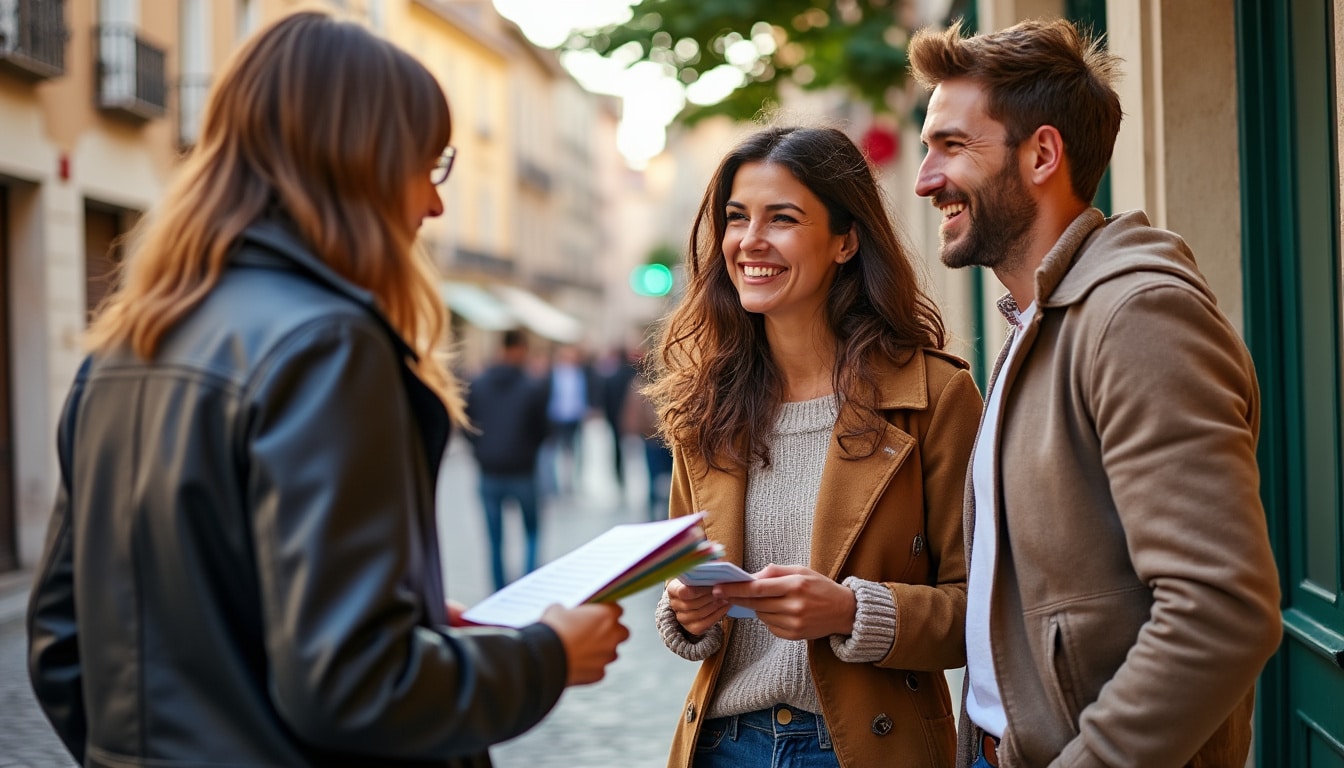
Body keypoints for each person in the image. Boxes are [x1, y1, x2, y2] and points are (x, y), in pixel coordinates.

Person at [26, 11, 628, 768]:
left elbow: (64, 644)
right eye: (429, 165)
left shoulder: (127, 340)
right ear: (362, 161)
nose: (435, 204)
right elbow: (355, 686)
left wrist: (408, 624)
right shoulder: (328, 346)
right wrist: (545, 656)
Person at [908, 18, 1282, 768]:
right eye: (926, 147)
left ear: (1042, 154)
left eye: (952, 145)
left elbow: (1222, 611)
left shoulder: (1136, 317)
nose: (925, 179)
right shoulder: (1039, 321)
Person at [648, 125, 983, 767]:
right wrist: (687, 609)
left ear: (845, 240)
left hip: (866, 747)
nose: (750, 240)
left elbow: (984, 611)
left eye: (782, 218)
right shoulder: (707, 404)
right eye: (737, 217)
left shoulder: (934, 397)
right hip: (722, 745)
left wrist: (852, 611)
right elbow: (687, 587)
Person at [466, 329, 550, 590]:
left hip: (489, 470)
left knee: (494, 540)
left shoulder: (479, 384)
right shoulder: (531, 386)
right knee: (532, 531)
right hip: (522, 470)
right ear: (520, 349)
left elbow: (466, 424)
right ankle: (528, 586)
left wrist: (480, 450)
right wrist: (527, 450)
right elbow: (542, 430)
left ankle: (499, 591)